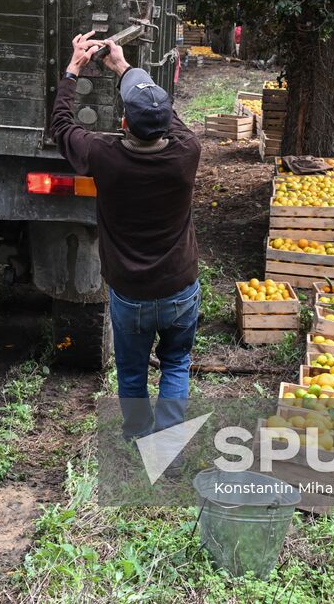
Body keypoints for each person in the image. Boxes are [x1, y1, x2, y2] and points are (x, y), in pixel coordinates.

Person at [50, 32, 201, 442]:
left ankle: (138, 436)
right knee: (175, 364)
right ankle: (167, 446)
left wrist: (74, 69)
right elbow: (167, 118)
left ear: (122, 124)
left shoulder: (104, 156)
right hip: (179, 288)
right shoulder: (187, 152)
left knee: (132, 372)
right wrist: (123, 68)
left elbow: (61, 126)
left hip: (130, 294)